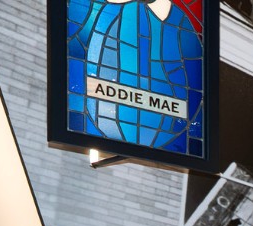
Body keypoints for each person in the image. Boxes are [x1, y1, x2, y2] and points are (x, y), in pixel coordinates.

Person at [66, 0, 205, 153]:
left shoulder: (176, 20)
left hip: (162, 122)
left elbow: (196, 77)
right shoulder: (95, 9)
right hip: (103, 111)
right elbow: (72, 47)